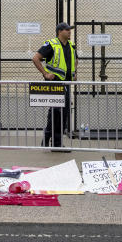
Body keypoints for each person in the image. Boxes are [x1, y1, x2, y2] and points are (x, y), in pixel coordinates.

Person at [31, 22, 76, 150]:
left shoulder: (72, 45)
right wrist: (45, 73)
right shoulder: (51, 44)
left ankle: (51, 141)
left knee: (62, 113)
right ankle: (53, 142)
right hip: (54, 83)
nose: (69, 32)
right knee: (57, 112)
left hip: (66, 83)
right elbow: (35, 58)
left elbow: (75, 59)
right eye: (67, 30)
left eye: (70, 30)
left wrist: (74, 73)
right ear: (60, 31)